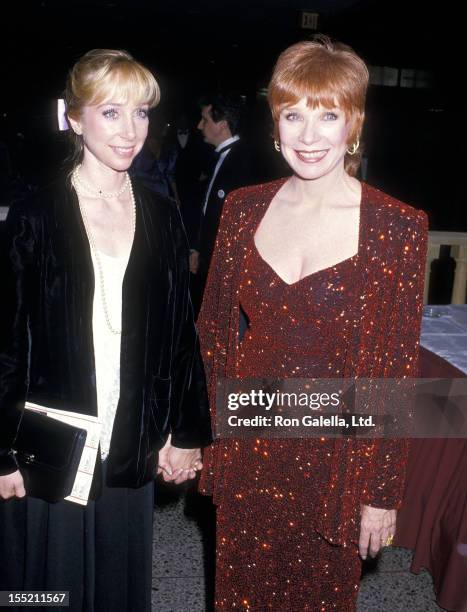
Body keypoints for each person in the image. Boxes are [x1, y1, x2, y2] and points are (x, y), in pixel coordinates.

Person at [197, 36, 428, 609]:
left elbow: (394, 369)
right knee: (241, 594)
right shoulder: (243, 208)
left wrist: (380, 492)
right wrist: (205, 436)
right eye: (293, 115)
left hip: (334, 458)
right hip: (248, 443)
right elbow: (214, 334)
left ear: (354, 123)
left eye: (328, 116)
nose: (308, 135)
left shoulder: (395, 228)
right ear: (275, 123)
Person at [0, 49, 212, 611]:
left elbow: (180, 333)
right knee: (44, 590)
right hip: (50, 442)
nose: (130, 130)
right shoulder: (36, 215)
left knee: (119, 585)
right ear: (74, 117)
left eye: (141, 113)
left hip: (132, 435)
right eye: (111, 112)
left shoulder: (162, 212)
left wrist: (184, 431)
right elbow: (4, 343)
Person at [190, 93, 255, 316]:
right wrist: (198, 248)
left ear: (223, 124)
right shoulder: (217, 158)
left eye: (205, 119)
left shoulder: (244, 163)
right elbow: (208, 210)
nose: (200, 126)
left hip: (227, 269)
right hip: (210, 260)